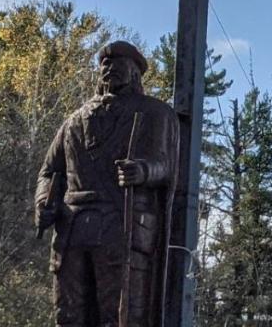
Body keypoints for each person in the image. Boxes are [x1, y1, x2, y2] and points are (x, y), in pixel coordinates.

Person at [34, 40, 179, 327]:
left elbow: (168, 165)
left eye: (118, 63)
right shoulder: (73, 121)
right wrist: (43, 203)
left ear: (135, 72)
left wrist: (144, 171)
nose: (109, 68)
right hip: (72, 229)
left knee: (121, 316)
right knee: (68, 315)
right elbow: (50, 172)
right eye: (104, 63)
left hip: (121, 227)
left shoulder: (154, 114)